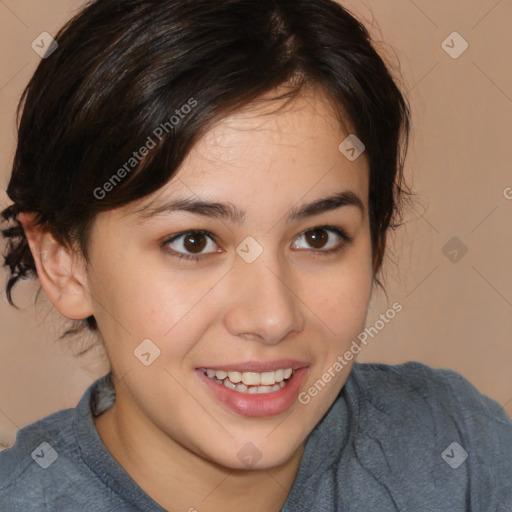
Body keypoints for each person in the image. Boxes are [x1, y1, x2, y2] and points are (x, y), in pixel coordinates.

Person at [1, 0, 511, 510]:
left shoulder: (461, 450)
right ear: (63, 260)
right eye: (194, 242)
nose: (273, 318)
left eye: (318, 237)